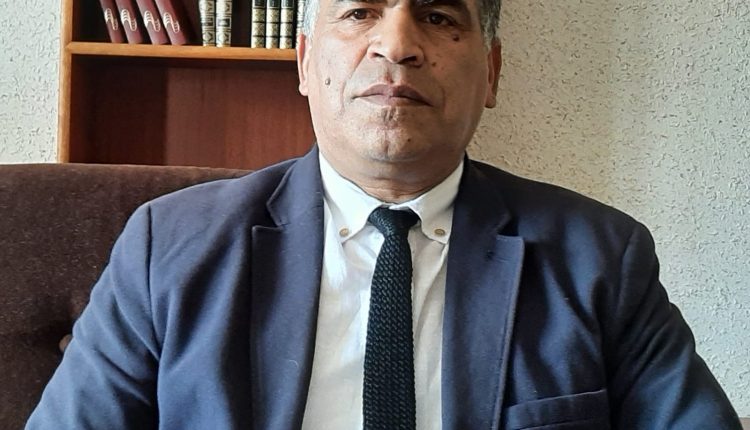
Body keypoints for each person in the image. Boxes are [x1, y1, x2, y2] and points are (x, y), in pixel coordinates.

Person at [27, 0, 742, 427]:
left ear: (491, 73)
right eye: (359, 12)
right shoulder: (168, 245)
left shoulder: (600, 256)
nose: (397, 45)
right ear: (305, 63)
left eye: (437, 16)